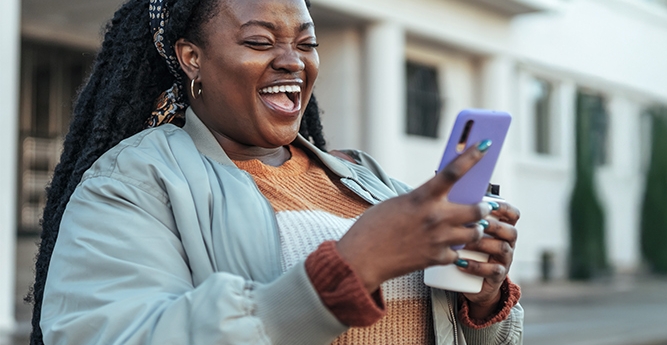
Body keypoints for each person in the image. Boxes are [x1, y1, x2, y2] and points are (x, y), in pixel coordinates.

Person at [28, 0, 523, 343]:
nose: (292, 61)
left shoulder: (364, 178)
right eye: (260, 41)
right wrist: (344, 272)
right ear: (192, 57)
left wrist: (483, 303)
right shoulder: (130, 183)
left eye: (306, 44)